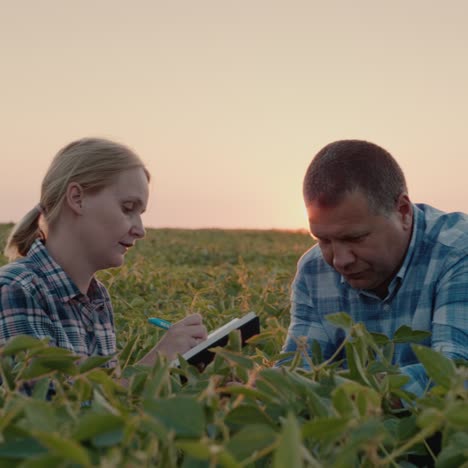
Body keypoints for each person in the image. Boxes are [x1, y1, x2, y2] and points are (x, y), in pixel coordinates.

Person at [281, 139, 468, 399]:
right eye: (323, 240)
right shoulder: (314, 270)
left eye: (355, 238)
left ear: (403, 211)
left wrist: (332, 392)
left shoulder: (457, 252)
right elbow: (300, 367)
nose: (339, 260)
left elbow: (456, 375)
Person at [0, 137, 207, 369]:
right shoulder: (16, 289)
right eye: (127, 208)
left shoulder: (97, 299)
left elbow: (109, 396)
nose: (140, 230)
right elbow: (46, 403)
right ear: (77, 198)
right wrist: (156, 362)